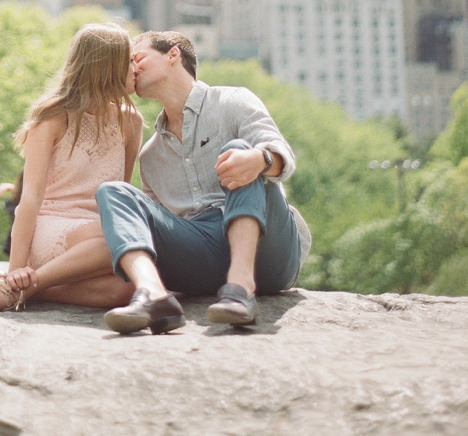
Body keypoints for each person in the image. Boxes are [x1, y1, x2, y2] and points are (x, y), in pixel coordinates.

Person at [96, 31, 311, 334]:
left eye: (138, 58)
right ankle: (154, 297)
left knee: (237, 152)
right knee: (113, 192)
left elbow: (282, 157)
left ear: (173, 55)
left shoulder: (232, 101)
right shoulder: (151, 155)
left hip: (268, 250)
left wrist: (259, 159)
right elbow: (159, 230)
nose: (132, 68)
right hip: (202, 255)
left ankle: (241, 289)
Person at [0, 23, 142, 313]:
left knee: (129, 288)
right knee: (118, 239)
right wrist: (17, 266)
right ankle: (13, 284)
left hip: (96, 235)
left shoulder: (130, 121)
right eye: (130, 61)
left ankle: (20, 290)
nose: (137, 69)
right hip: (51, 226)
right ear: (108, 66)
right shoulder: (52, 118)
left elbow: (119, 196)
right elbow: (30, 198)